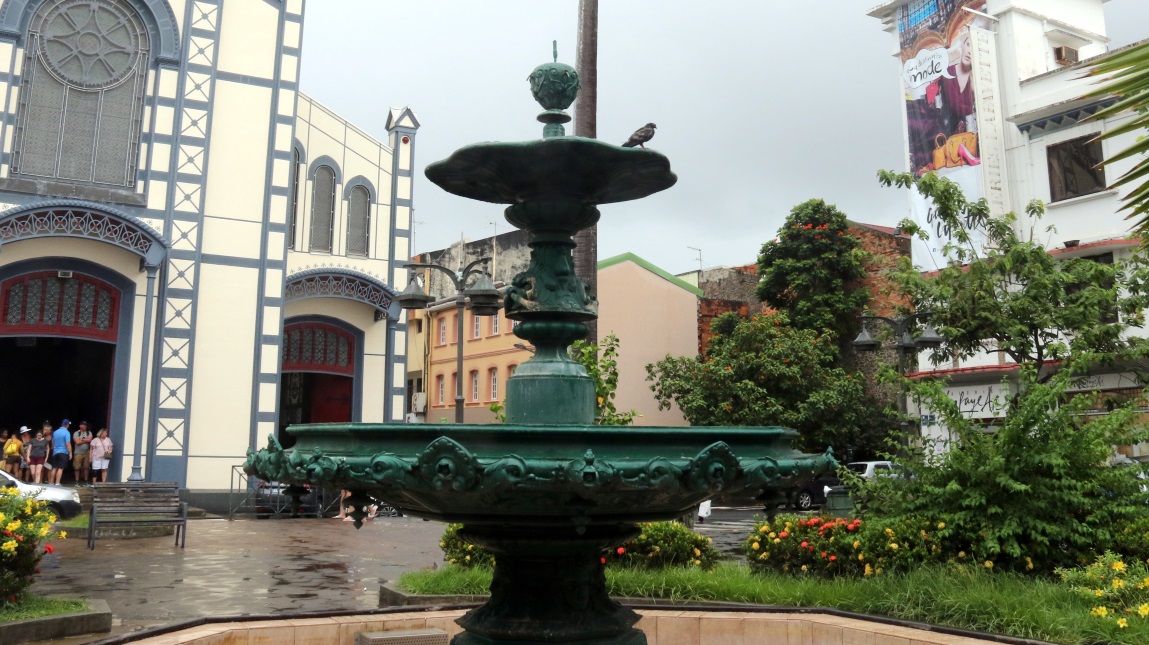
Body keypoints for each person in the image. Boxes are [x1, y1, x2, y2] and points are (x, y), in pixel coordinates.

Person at [49, 419, 72, 485]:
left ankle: (51, 482)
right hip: (63, 452)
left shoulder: (55, 432)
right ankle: (57, 483)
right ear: (67, 425)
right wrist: (70, 453)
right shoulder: (67, 432)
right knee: (61, 468)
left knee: (54, 468)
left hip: (55, 452)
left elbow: (53, 443)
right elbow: (67, 443)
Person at [72, 421, 93, 486]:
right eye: (83, 425)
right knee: (77, 467)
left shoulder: (89, 432)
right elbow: (77, 442)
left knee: (86, 467)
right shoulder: (76, 433)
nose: (85, 426)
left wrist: (82, 439)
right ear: (80, 426)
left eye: (85, 425)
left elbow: (90, 440)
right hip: (78, 453)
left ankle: (86, 481)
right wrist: (86, 440)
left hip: (87, 453)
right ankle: (77, 481)